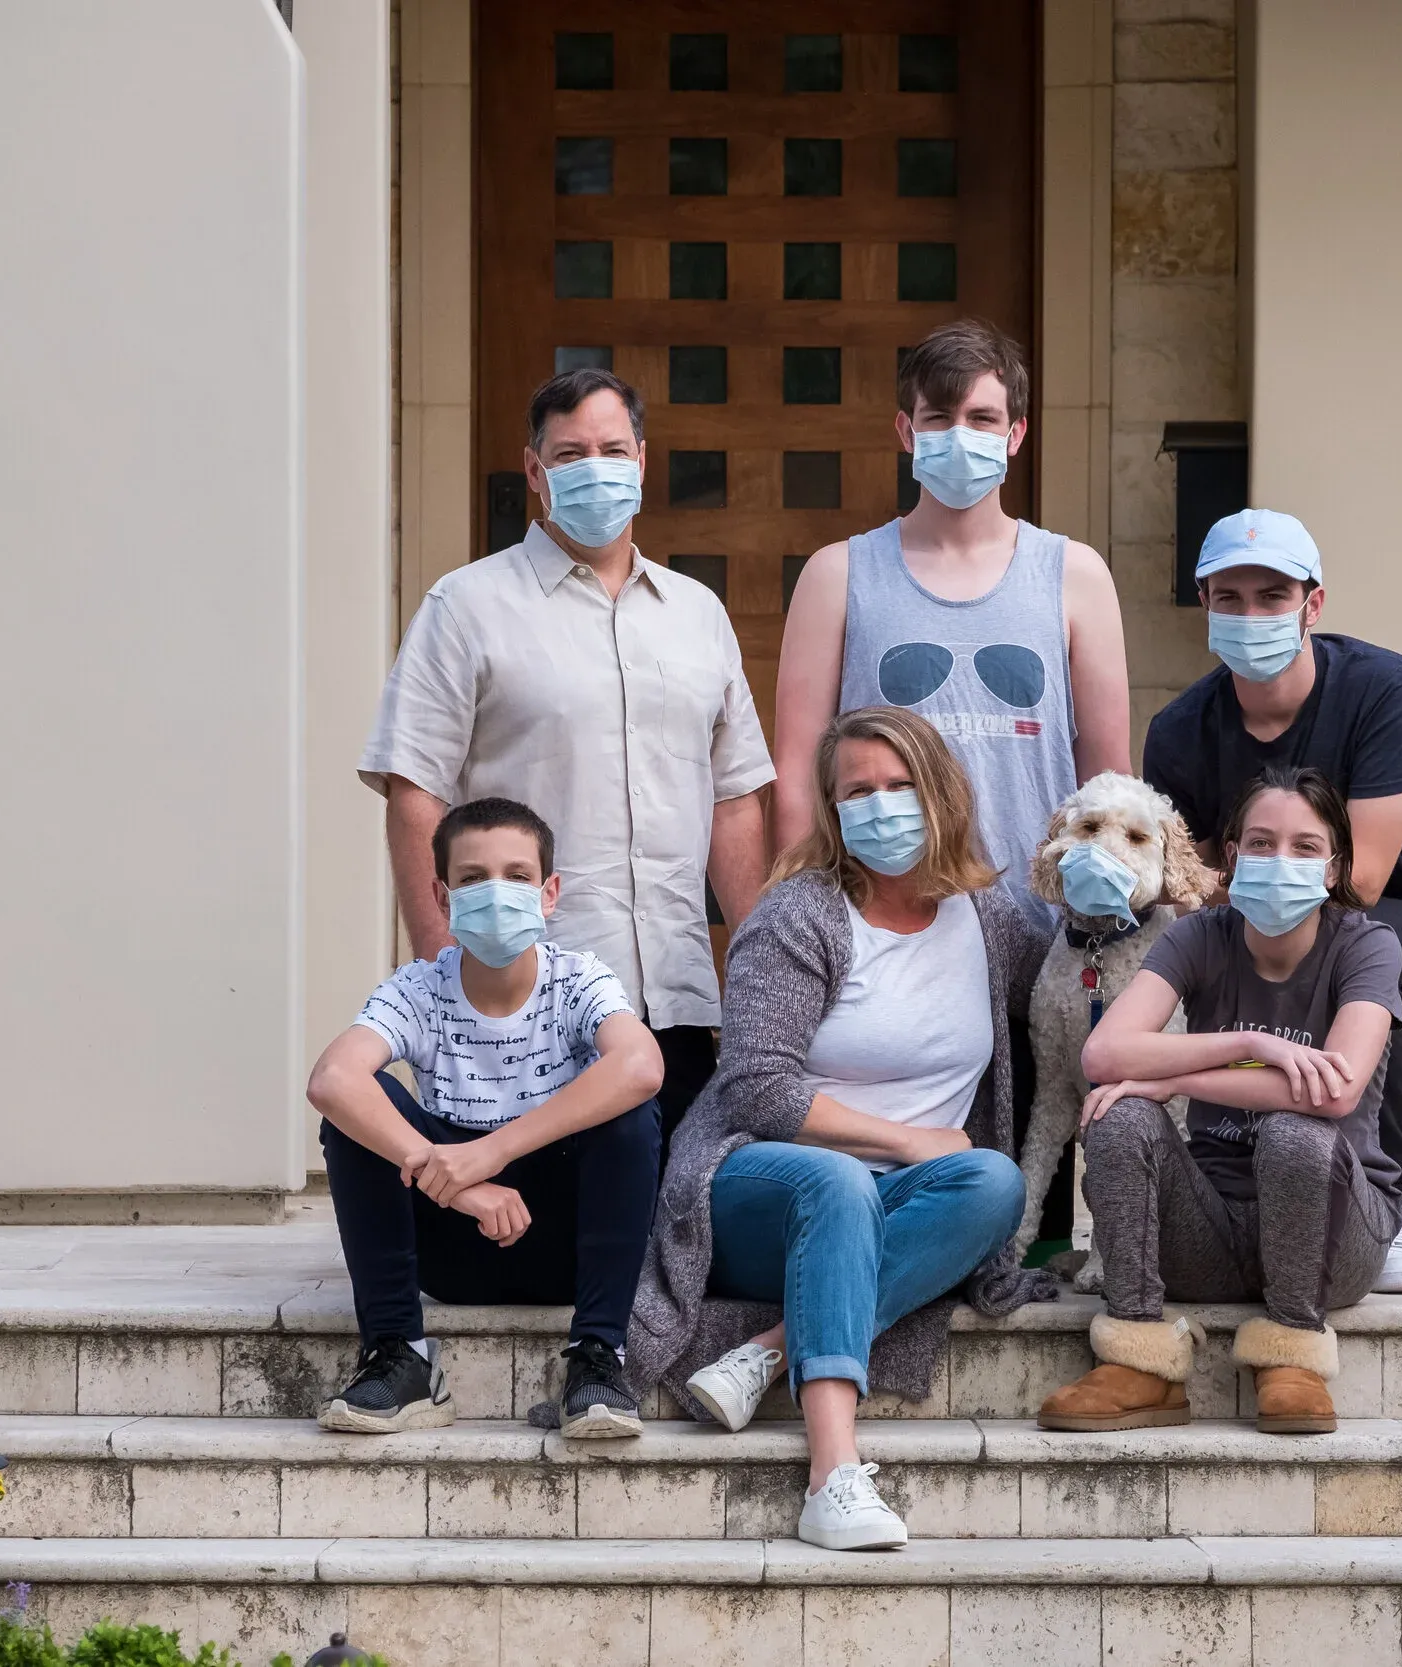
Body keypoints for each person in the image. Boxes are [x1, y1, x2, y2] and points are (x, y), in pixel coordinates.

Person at [628, 706, 1052, 1552]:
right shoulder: (800, 914)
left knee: (996, 1181)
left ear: (942, 794)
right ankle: (832, 1474)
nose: (881, 806)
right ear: (831, 807)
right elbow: (755, 1087)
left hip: (907, 1201)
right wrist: (905, 1141)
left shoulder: (988, 917)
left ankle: (771, 1349)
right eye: (858, 791)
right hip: (760, 1185)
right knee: (839, 1180)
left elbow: (1064, 997)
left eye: (900, 785)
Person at [773, 319, 1130, 1259]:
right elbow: (798, 767)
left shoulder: (1074, 575)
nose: (959, 436)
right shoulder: (840, 573)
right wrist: (803, 917)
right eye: (938, 418)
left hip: (1038, 940)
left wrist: (1107, 921)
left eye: (981, 417)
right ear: (906, 431)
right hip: (884, 943)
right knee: (880, 1201)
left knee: (1022, 1227)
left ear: (1017, 433)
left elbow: (1110, 775)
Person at [360, 368, 773, 1142]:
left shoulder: (697, 614)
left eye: (613, 450)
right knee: (524, 1207)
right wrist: (444, 971)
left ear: (642, 461)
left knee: (673, 1203)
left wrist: (759, 976)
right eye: (571, 453)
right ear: (534, 469)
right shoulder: (467, 605)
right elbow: (415, 787)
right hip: (524, 997)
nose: (596, 468)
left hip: (674, 996)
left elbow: (733, 798)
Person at [1141, 508, 1402, 1294]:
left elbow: (1365, 878)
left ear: (1312, 603)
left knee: (1366, 958)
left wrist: (1260, 898)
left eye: (1273, 595)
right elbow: (1189, 882)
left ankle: (1394, 1204)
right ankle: (1233, 1181)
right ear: (1204, 603)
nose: (1250, 614)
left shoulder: (1380, 687)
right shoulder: (1178, 731)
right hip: (1243, 925)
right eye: (1230, 597)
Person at [1038, 767, 1402, 1436]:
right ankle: (1138, 1360)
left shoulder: (1367, 945)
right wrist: (1251, 1044)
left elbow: (1334, 1090)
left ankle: (1294, 1354)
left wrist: (1180, 1077)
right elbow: (1104, 1055)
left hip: (1335, 1235)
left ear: (1333, 868)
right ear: (1231, 856)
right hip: (1211, 1228)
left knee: (1294, 1129)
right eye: (1261, 843)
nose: (1280, 860)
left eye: (1304, 846)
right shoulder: (1199, 935)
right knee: (1119, 1112)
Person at [306, 797, 665, 1438]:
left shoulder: (578, 981)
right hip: (451, 1244)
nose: (496, 893)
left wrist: (491, 1152)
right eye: (473, 878)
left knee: (628, 1112)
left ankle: (598, 1357)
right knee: (359, 1106)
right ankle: (399, 1355)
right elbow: (332, 1079)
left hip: (563, 1247)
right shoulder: (419, 988)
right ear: (442, 898)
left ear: (549, 892)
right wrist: (464, 1186)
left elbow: (641, 1066)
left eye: (517, 875)